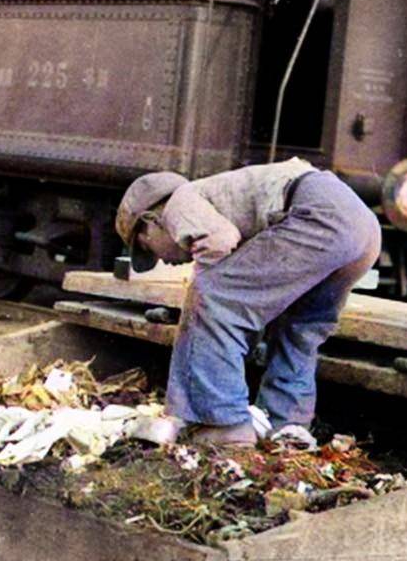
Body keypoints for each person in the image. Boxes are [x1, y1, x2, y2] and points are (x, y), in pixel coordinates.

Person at [114, 158, 380, 447]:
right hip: (362, 227)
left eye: (146, 247)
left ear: (152, 222)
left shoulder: (179, 203)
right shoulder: (218, 197)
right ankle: (287, 427)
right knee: (299, 327)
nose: (160, 259)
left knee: (212, 295)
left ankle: (225, 424)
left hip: (319, 214)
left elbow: (222, 254)